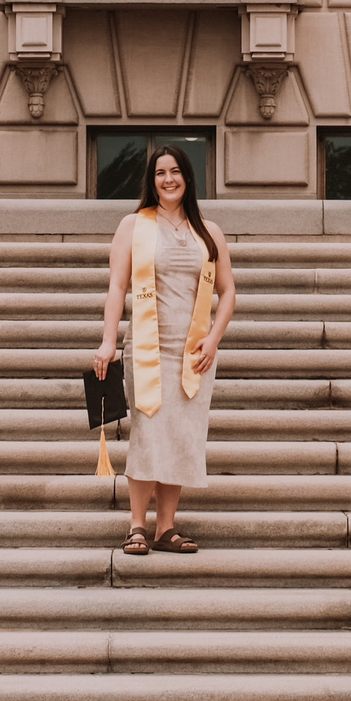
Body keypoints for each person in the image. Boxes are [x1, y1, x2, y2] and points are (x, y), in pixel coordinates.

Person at [90, 144, 237, 556]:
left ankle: (166, 527)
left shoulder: (208, 232)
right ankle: (138, 525)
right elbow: (118, 286)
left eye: (175, 172)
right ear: (151, 182)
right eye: (159, 174)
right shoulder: (133, 225)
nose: (168, 179)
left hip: (194, 351)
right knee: (150, 430)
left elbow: (227, 293)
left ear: (188, 178)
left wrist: (213, 338)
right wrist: (107, 341)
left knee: (180, 435)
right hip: (146, 346)